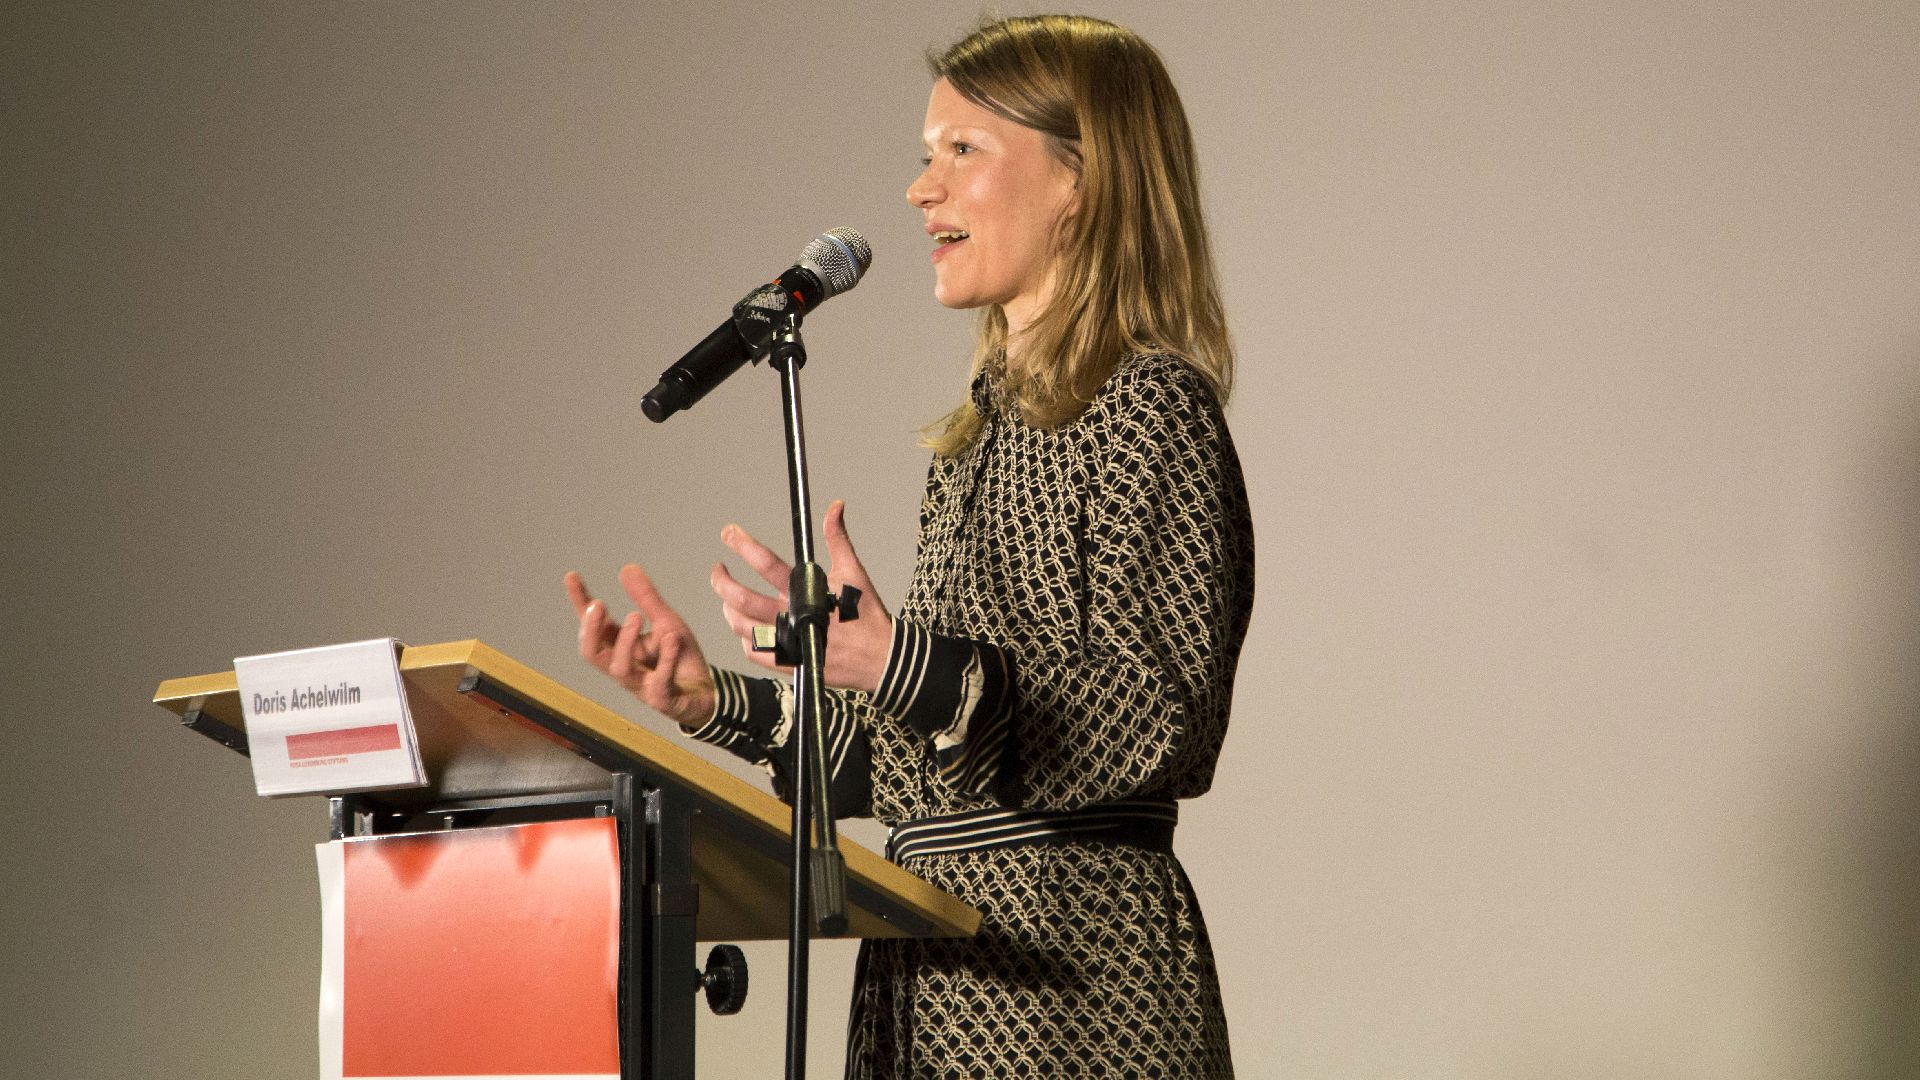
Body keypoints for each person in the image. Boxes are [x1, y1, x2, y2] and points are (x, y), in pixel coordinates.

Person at [566, 15, 1253, 1077]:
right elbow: (931, 769)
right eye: (926, 155)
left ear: (1082, 177)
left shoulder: (1146, 406)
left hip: (1078, 997)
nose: (918, 190)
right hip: (934, 983)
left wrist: (903, 665)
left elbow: (1161, 718)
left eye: (961, 151)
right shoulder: (976, 436)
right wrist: (718, 704)